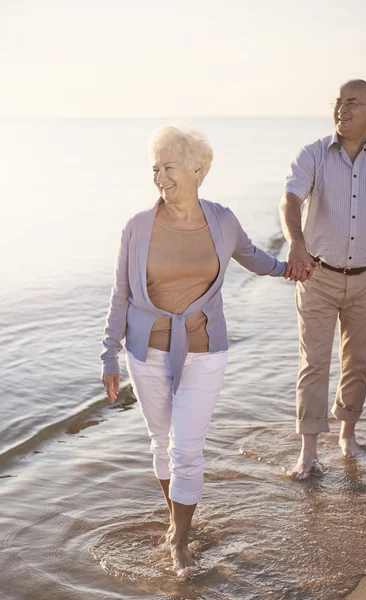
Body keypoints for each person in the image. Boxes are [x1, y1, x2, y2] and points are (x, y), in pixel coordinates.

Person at [100, 125, 288, 577]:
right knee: (161, 445)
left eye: (168, 167)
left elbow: (256, 259)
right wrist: (109, 354)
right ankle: (175, 520)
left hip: (205, 348)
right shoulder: (137, 227)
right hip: (146, 351)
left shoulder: (222, 220)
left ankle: (180, 541)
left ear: (197, 168)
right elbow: (121, 294)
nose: (159, 177)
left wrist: (293, 268)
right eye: (154, 169)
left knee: (186, 449)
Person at [279, 79, 366, 480]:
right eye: (338, 102)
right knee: (313, 363)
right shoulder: (313, 154)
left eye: (352, 103)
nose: (341, 109)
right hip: (317, 275)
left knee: (360, 362)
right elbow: (291, 199)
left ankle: (348, 433)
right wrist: (295, 242)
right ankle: (309, 451)